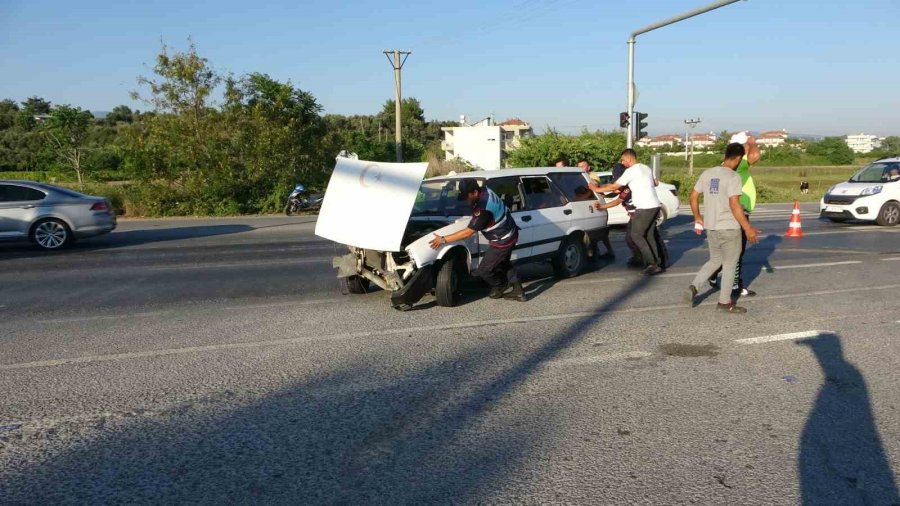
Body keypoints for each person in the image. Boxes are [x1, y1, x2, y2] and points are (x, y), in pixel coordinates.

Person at [686, 143, 760, 314]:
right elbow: (735, 205)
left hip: (711, 227)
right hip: (729, 227)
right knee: (729, 265)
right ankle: (724, 303)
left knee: (714, 260)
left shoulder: (708, 173)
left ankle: (694, 286)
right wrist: (747, 228)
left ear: (725, 155)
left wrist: (698, 217)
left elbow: (693, 197)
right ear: (737, 158)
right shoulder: (733, 177)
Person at [429, 178, 527, 302]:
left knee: (484, 271)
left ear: (475, 192)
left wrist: (443, 239)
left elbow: (468, 232)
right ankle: (519, 292)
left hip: (503, 240)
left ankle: (500, 284)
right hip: (510, 231)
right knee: (503, 262)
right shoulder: (486, 190)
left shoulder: (483, 209)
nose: (465, 200)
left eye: (467, 196)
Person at [591, 149, 664, 275]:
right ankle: (656, 262)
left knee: (636, 235)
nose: (622, 162)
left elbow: (614, 187)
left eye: (623, 160)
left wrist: (596, 189)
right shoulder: (646, 168)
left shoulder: (631, 171)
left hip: (644, 207)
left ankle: (652, 264)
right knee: (649, 235)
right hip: (655, 205)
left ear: (629, 159)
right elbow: (655, 183)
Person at [709, 132, 761, 297]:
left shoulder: (725, 164)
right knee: (737, 251)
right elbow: (756, 155)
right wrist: (753, 143)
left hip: (728, 211)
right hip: (738, 211)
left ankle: (716, 272)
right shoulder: (740, 164)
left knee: (731, 251)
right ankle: (733, 286)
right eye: (745, 146)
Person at [573, 158, 615, 260]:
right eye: (579, 166)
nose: (581, 168)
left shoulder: (592, 176)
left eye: (583, 166)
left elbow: (594, 184)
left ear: (588, 167)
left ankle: (609, 251)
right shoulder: (578, 177)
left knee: (601, 232)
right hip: (584, 205)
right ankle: (592, 252)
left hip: (597, 205)